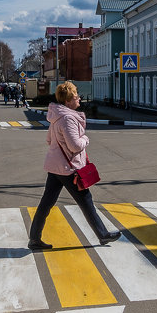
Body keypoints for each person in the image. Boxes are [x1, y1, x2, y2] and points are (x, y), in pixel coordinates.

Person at [27, 81, 121, 251]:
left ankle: (34, 239)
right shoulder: (68, 118)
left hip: (55, 167)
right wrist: (86, 138)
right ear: (69, 100)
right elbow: (75, 146)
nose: (79, 98)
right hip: (67, 169)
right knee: (86, 200)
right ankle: (102, 234)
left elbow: (49, 140)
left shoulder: (56, 116)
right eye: (76, 96)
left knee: (46, 203)